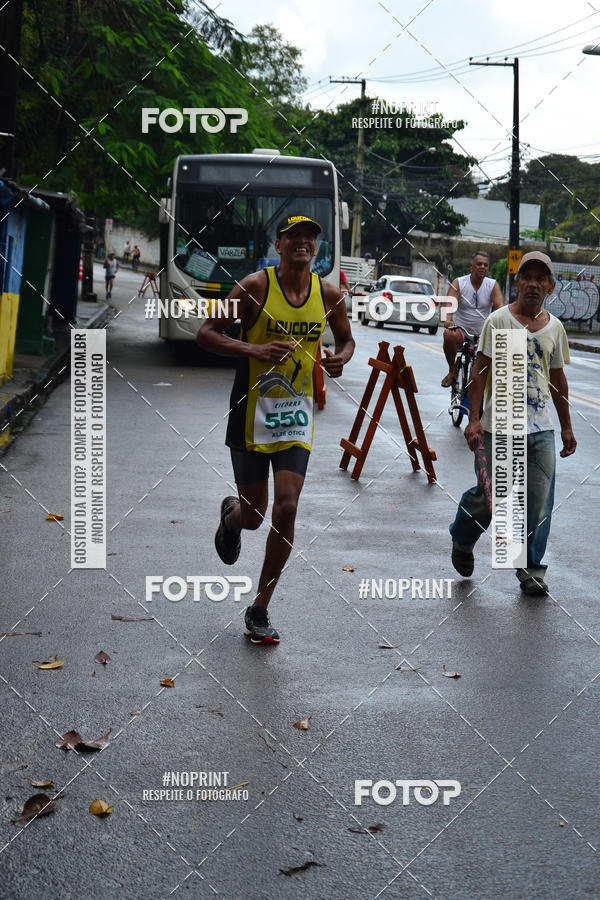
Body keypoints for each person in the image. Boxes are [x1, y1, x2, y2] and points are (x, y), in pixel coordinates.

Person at [197, 214, 355, 644]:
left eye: (310, 237)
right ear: (279, 244)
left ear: (316, 248)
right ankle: (231, 519)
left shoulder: (329, 294)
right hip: (250, 414)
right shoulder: (255, 287)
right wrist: (254, 348)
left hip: (295, 416)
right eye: (294, 236)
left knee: (286, 507)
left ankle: (260, 608)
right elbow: (207, 333)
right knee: (254, 516)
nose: (303, 242)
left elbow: (346, 339)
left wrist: (342, 356)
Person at [449, 251, 577, 596]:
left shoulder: (555, 328)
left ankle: (531, 569)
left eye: (541, 279)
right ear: (516, 283)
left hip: (540, 429)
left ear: (549, 287)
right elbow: (481, 370)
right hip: (500, 426)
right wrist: (473, 419)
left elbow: (557, 380)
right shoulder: (500, 321)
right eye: (527, 277)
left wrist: (566, 427)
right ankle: (463, 537)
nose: (533, 284)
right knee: (491, 500)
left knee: (538, 502)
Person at [442, 251, 504, 387]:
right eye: (479, 264)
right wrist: (448, 319)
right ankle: (452, 371)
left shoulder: (492, 285)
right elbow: (449, 304)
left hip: (483, 333)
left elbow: (500, 308)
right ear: (471, 266)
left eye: (486, 265)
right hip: (461, 331)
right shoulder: (459, 283)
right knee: (448, 335)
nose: (482, 267)